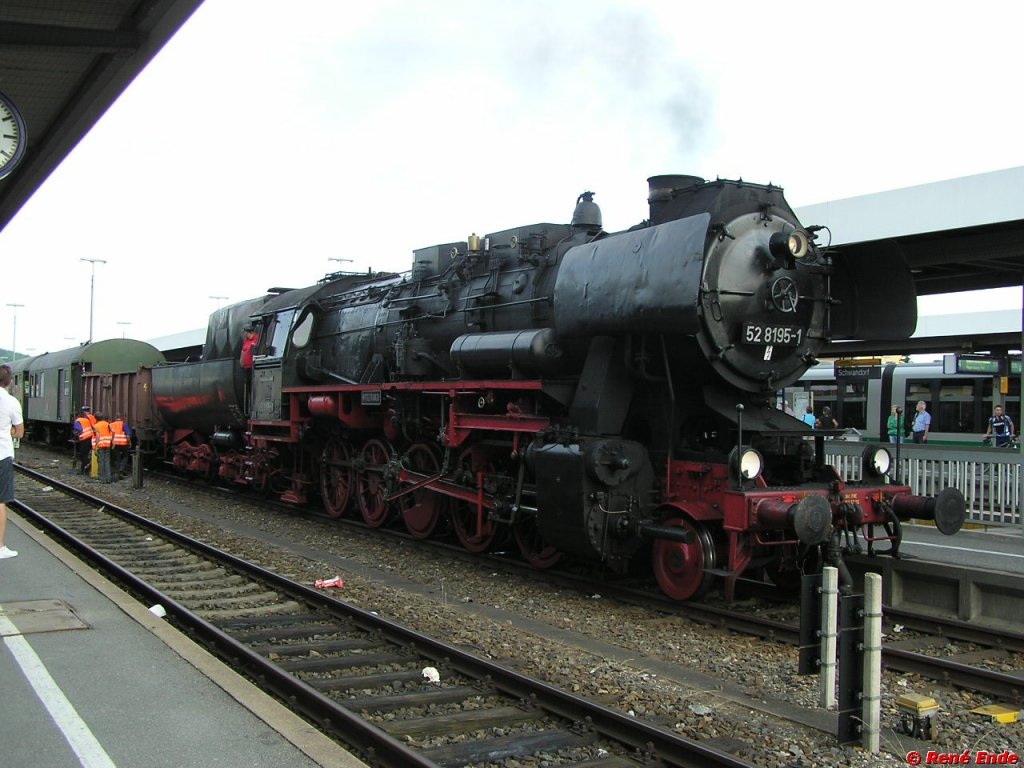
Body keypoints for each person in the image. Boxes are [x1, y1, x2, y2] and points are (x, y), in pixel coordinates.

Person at [1, 364, 25, 559]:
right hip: (2, 455)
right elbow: (20, 431)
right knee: (0, 501)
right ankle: (0, 547)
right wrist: (8, 431)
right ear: (9, 382)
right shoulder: (11, 402)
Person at [72, 405, 97, 474]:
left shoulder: (77, 421)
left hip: (85, 438)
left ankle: (86, 467)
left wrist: (76, 433)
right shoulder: (86, 419)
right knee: (88, 453)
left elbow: (79, 429)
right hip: (91, 437)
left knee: (83, 454)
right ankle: (84, 468)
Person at [92, 411, 113, 483]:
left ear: (96, 418)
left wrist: (96, 446)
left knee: (101, 461)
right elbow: (113, 432)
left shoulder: (96, 426)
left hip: (100, 445)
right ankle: (109, 478)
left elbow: (97, 436)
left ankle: (102, 478)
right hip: (107, 444)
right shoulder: (108, 424)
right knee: (107, 461)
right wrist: (113, 442)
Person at [110, 414, 133, 478]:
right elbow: (128, 435)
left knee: (118, 457)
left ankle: (117, 471)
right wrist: (130, 442)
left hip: (115, 444)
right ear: (121, 418)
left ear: (115, 418)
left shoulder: (111, 425)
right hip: (123, 444)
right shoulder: (124, 424)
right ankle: (121, 469)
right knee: (125, 456)